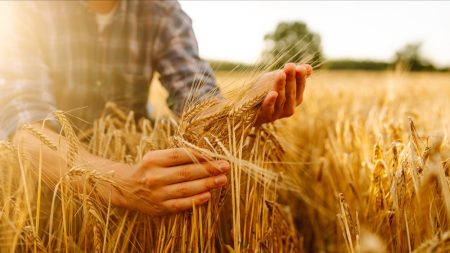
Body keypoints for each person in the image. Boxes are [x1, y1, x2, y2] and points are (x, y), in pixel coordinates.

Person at [0, 0, 312, 216]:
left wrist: (245, 109)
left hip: (127, 163)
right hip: (46, 185)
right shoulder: (26, 9)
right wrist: (122, 183)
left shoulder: (161, 11)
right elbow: (26, 130)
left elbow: (197, 100)